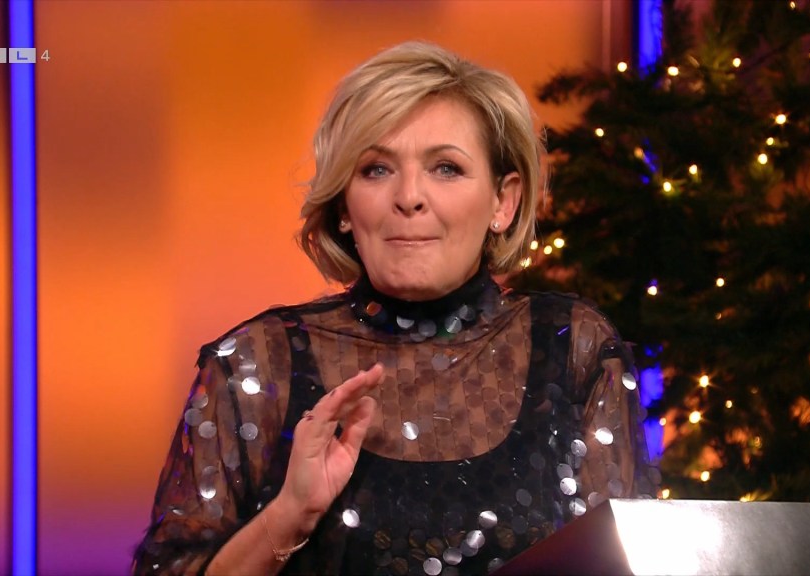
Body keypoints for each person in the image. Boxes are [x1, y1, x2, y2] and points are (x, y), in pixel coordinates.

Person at [133, 41, 658, 576]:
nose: (409, 196)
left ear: (504, 202)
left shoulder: (574, 347)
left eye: (446, 168)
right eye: (376, 169)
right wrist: (291, 516)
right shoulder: (256, 363)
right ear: (344, 205)